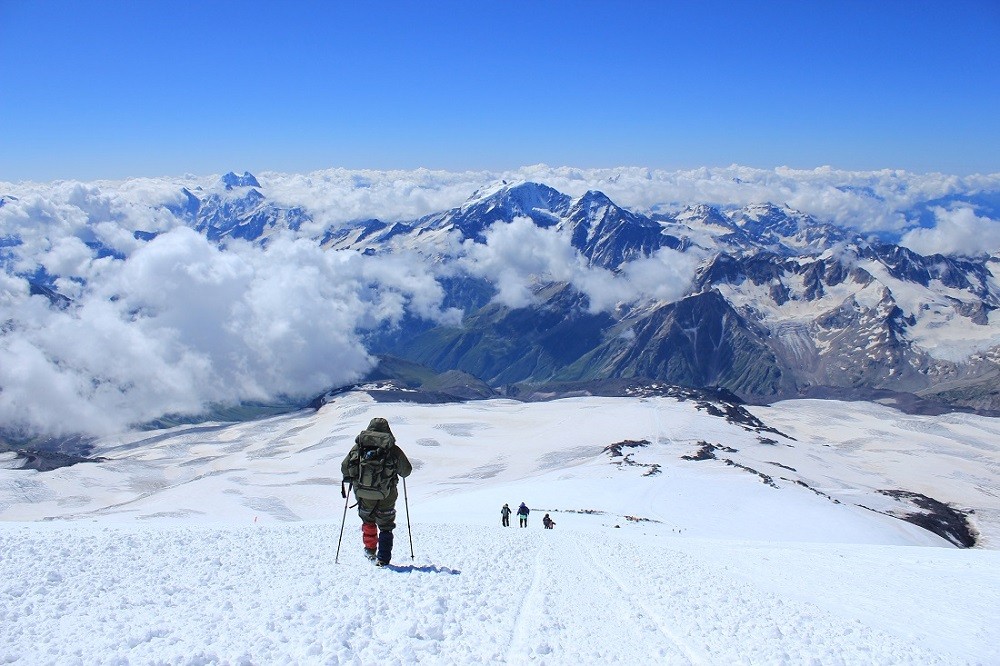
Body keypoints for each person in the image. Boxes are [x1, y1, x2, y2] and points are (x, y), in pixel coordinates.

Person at [341, 417, 412, 567]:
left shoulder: (359, 447)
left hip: (363, 493)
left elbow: (345, 467)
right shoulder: (392, 449)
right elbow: (406, 471)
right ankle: (383, 559)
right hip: (387, 494)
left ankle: (370, 551)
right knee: (386, 525)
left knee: (368, 521)